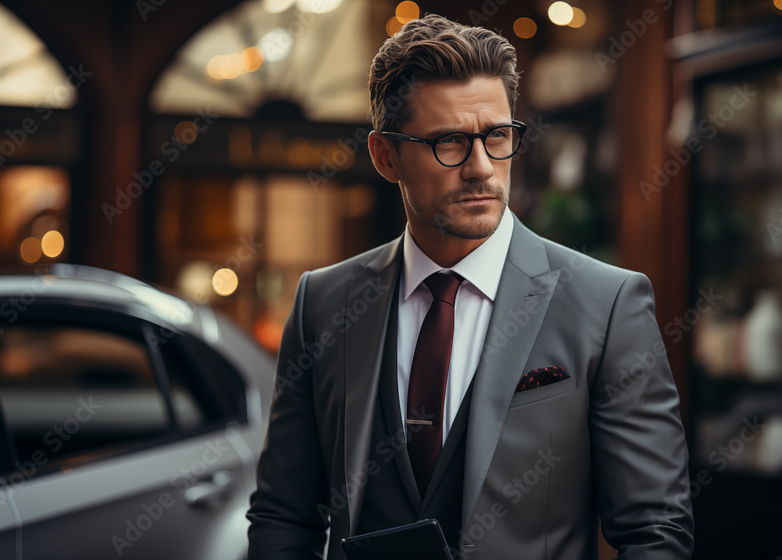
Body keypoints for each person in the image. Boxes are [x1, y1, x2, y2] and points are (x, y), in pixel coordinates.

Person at [247, 13, 693, 560]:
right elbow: (282, 515)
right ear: (385, 156)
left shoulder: (606, 303)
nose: (482, 167)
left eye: (498, 136)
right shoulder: (324, 302)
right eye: (450, 142)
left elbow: (655, 531)